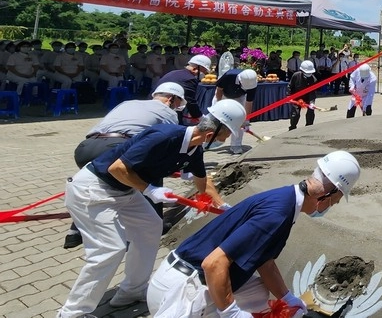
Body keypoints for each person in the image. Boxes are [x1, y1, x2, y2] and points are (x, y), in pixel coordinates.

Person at [57, 100, 246, 318]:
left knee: (151, 226)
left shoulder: (194, 150)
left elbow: (202, 181)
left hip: (125, 191)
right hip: (95, 188)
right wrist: (150, 190)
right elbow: (117, 168)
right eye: (224, 136)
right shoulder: (165, 136)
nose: (223, 141)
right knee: (110, 249)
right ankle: (72, 312)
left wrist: (222, 206)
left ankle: (131, 291)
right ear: (212, 131)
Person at [146, 151, 361, 317]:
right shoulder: (276, 216)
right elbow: (213, 264)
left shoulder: (285, 200)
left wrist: (287, 298)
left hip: (180, 277)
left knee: (258, 293)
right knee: (235, 303)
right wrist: (230, 311)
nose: (337, 203)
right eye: (338, 198)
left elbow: (264, 262)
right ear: (327, 193)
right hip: (179, 293)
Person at [63, 82, 191, 250]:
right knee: (150, 175)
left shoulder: (128, 103)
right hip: (117, 146)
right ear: (171, 99)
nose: (176, 107)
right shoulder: (167, 112)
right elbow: (170, 141)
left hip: (85, 147)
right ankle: (153, 224)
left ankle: (74, 233)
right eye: (177, 103)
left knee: (97, 185)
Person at [155, 54, 212, 124]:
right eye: (204, 71)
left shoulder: (175, 73)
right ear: (196, 68)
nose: (205, 74)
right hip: (166, 108)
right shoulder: (189, 79)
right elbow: (190, 101)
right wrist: (199, 116)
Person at [214, 69, 258, 154]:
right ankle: (210, 141)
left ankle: (236, 145)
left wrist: (246, 120)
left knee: (240, 120)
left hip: (240, 98)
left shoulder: (252, 84)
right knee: (215, 119)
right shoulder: (229, 75)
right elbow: (219, 90)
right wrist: (218, 105)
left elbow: (249, 102)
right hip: (223, 96)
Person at [287, 60, 318, 130]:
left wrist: (312, 102)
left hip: (308, 98)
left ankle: (309, 127)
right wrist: (288, 96)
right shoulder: (296, 76)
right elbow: (290, 86)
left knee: (311, 112)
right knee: (295, 113)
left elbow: (313, 92)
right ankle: (292, 127)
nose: (309, 74)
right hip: (296, 97)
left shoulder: (314, 79)